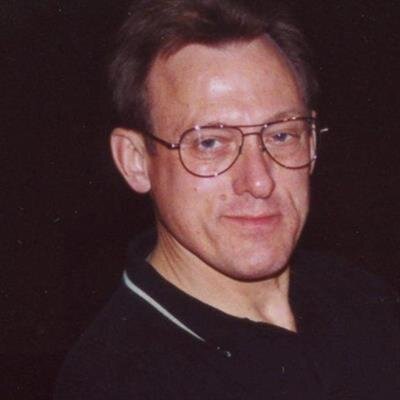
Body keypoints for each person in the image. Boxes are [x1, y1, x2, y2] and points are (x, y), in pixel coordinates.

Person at [55, 1, 400, 399]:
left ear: (311, 143)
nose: (259, 181)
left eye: (281, 135)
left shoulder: (363, 300)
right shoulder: (116, 381)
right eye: (209, 143)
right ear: (135, 161)